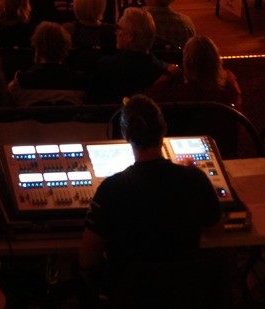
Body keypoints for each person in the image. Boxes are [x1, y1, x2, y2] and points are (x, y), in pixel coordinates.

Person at [79, 94, 222, 303]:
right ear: (163, 128)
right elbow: (216, 229)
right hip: (183, 296)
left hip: (129, 297)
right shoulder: (194, 179)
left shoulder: (111, 189)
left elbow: (87, 259)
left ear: (125, 134)